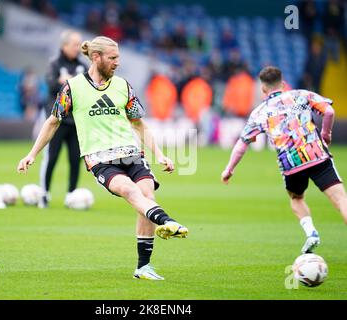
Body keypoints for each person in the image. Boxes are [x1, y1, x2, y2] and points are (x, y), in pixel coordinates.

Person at [17, 36, 189, 280]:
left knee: (148, 195)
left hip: (131, 153)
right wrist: (31, 154)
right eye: (112, 58)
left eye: (118, 57)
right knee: (130, 191)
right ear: (96, 58)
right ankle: (167, 221)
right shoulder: (72, 88)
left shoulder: (123, 86)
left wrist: (159, 154)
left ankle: (143, 267)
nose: (117, 63)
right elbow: (53, 121)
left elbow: (139, 123)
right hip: (100, 159)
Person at [221, 66, 347, 254]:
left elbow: (242, 144)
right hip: (316, 154)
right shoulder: (301, 95)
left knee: (296, 198)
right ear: (282, 83)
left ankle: (311, 232)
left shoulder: (260, 112)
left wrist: (229, 169)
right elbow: (328, 112)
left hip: (291, 163)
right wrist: (325, 134)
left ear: (263, 89)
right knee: (340, 199)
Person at [39, 29, 88, 208]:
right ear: (64, 45)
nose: (78, 48)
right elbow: (50, 85)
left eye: (79, 44)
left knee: (75, 159)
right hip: (57, 121)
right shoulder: (54, 64)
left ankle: (72, 196)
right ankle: (43, 194)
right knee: (51, 158)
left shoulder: (83, 65)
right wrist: (61, 82)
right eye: (75, 44)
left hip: (76, 122)